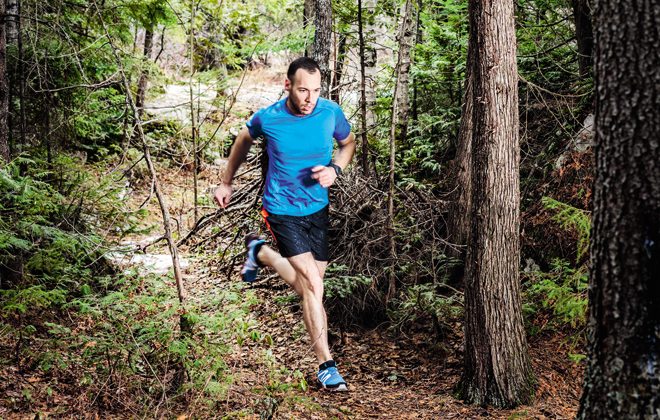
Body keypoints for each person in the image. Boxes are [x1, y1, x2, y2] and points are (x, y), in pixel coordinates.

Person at [214, 57, 356, 392]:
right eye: (304, 90)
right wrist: (226, 181)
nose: (310, 98)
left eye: (317, 90)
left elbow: (348, 144)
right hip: (281, 209)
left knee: (311, 284)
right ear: (288, 85)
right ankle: (326, 366)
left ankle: (261, 252)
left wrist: (336, 168)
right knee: (312, 284)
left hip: (317, 208)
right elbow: (242, 141)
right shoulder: (269, 118)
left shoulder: (330, 113)